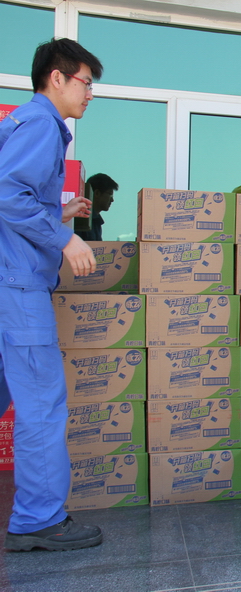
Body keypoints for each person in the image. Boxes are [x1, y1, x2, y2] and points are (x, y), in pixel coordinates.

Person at [0, 38, 103, 551]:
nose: (90, 94)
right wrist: (64, 238)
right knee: (42, 402)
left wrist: (58, 213)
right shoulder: (42, 123)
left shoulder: (22, 122)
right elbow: (6, 193)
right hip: (18, 287)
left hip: (7, 279)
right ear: (56, 78)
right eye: (86, 82)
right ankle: (38, 519)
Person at [74, 172, 118, 241]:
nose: (112, 200)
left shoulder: (96, 221)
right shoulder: (81, 218)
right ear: (97, 193)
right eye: (109, 194)